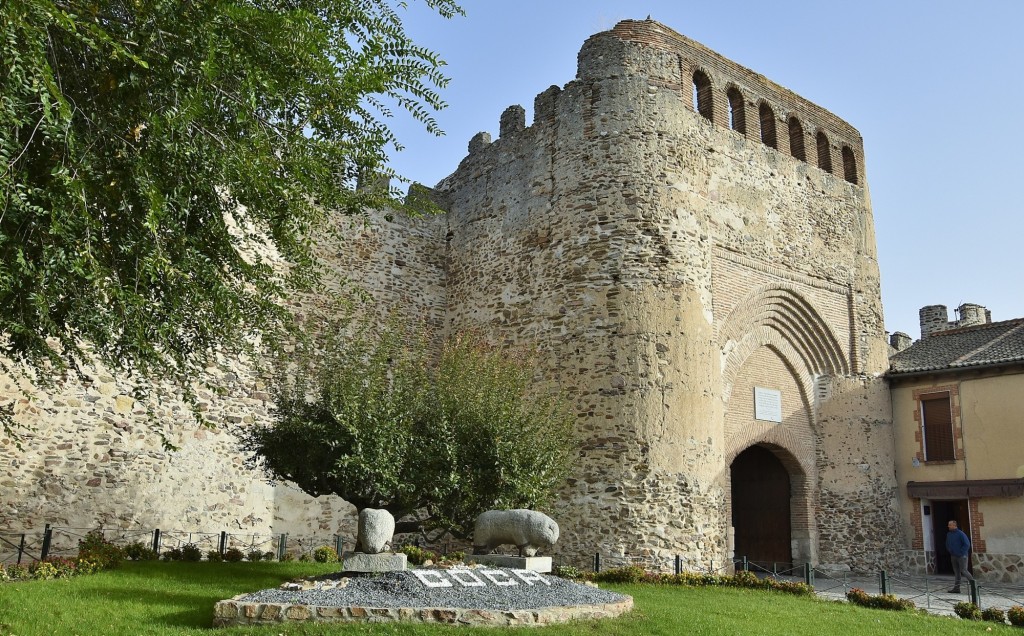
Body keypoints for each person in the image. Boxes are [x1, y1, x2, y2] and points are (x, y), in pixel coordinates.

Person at [945, 520, 974, 593]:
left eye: (950, 525)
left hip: (962, 556)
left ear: (954, 525)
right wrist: (950, 550)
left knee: (964, 570)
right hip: (953, 556)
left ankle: (974, 585)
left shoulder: (961, 534)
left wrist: (961, 552)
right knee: (957, 572)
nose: (948, 526)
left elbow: (966, 544)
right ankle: (957, 588)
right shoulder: (949, 534)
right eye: (948, 525)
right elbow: (947, 543)